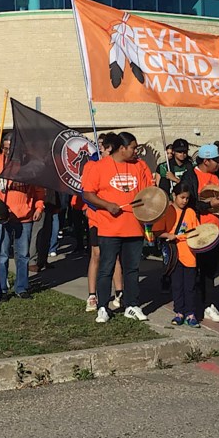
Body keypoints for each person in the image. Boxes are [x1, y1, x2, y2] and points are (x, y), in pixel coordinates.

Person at [81, 131, 152, 324]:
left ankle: (131, 304)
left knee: (132, 268)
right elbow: (88, 194)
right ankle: (103, 306)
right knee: (106, 267)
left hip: (134, 227)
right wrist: (107, 205)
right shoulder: (99, 166)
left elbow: (148, 192)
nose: (136, 151)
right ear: (122, 148)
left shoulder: (140, 166)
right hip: (109, 228)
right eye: (133, 147)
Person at [0, 134, 45, 302]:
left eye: (11, 148)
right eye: (5, 148)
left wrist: (39, 207)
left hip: (24, 216)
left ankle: (22, 287)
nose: (8, 151)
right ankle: (1, 289)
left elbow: (39, 191)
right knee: (3, 254)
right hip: (3, 217)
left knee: (23, 255)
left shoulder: (29, 166)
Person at [180, 143, 219, 323]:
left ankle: (208, 304)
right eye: (216, 161)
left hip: (216, 232)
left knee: (209, 271)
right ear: (206, 160)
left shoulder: (218, 176)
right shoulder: (191, 176)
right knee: (193, 271)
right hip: (196, 233)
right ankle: (190, 307)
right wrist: (209, 205)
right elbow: (188, 203)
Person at [82, 133, 124, 313]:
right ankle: (92, 295)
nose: (101, 149)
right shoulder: (92, 165)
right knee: (97, 254)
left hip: (114, 218)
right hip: (97, 217)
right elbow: (87, 192)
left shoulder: (119, 166)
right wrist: (103, 205)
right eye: (100, 145)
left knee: (114, 256)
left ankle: (119, 292)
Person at [154, 180, 204, 328]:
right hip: (175, 255)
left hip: (189, 254)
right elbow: (157, 232)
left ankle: (190, 313)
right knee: (177, 285)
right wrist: (168, 235)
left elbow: (197, 231)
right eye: (182, 197)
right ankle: (179, 312)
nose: (184, 201)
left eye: (187, 198)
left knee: (190, 286)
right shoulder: (167, 211)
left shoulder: (190, 212)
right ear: (174, 195)